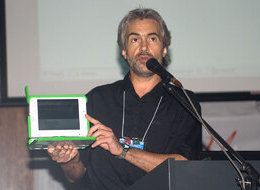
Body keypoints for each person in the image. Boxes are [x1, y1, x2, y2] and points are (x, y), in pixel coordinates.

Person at [48, 8, 202, 189]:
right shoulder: (97, 99)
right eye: (135, 39)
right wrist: (69, 161)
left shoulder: (183, 102)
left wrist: (122, 151)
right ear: (124, 51)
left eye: (152, 39)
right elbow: (76, 176)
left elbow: (182, 167)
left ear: (165, 49)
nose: (144, 47)